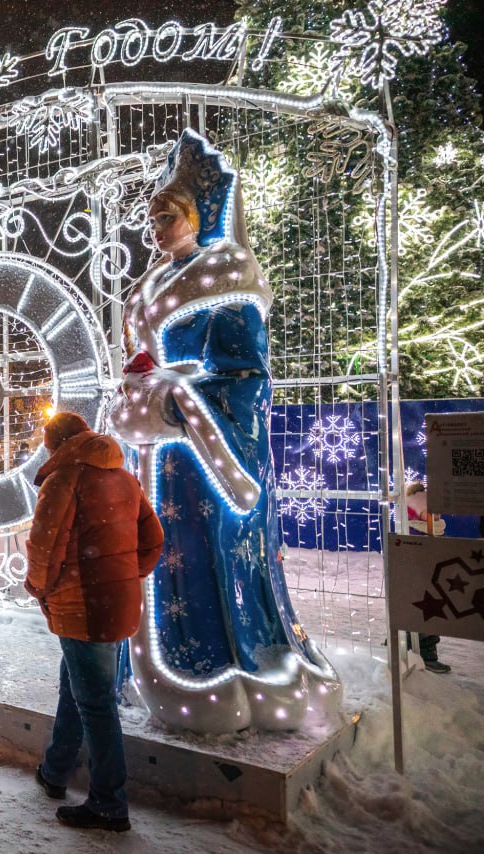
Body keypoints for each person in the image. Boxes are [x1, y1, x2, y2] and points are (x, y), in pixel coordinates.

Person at [107, 130, 340, 733]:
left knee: (200, 552)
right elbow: (140, 364)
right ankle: (148, 668)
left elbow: (244, 376)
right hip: (151, 457)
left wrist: (176, 403)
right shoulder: (148, 286)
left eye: (169, 214)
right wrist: (134, 398)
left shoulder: (224, 272)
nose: (157, 225)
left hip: (197, 458)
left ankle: (221, 666)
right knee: (152, 558)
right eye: (152, 215)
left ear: (198, 214)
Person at [25, 411, 163, 833]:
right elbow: (153, 538)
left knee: (97, 704)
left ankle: (108, 802)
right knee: (77, 687)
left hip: (82, 604)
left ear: (55, 444)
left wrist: (40, 589)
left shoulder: (64, 479)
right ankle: (55, 770)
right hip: (116, 602)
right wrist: (124, 576)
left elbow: (43, 548)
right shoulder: (122, 475)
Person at [406, 481, 450, 673]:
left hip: (427, 576)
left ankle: (413, 648)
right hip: (419, 574)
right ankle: (424, 653)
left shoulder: (432, 529)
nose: (436, 516)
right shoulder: (416, 530)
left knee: (423, 612)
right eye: (429, 512)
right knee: (423, 611)